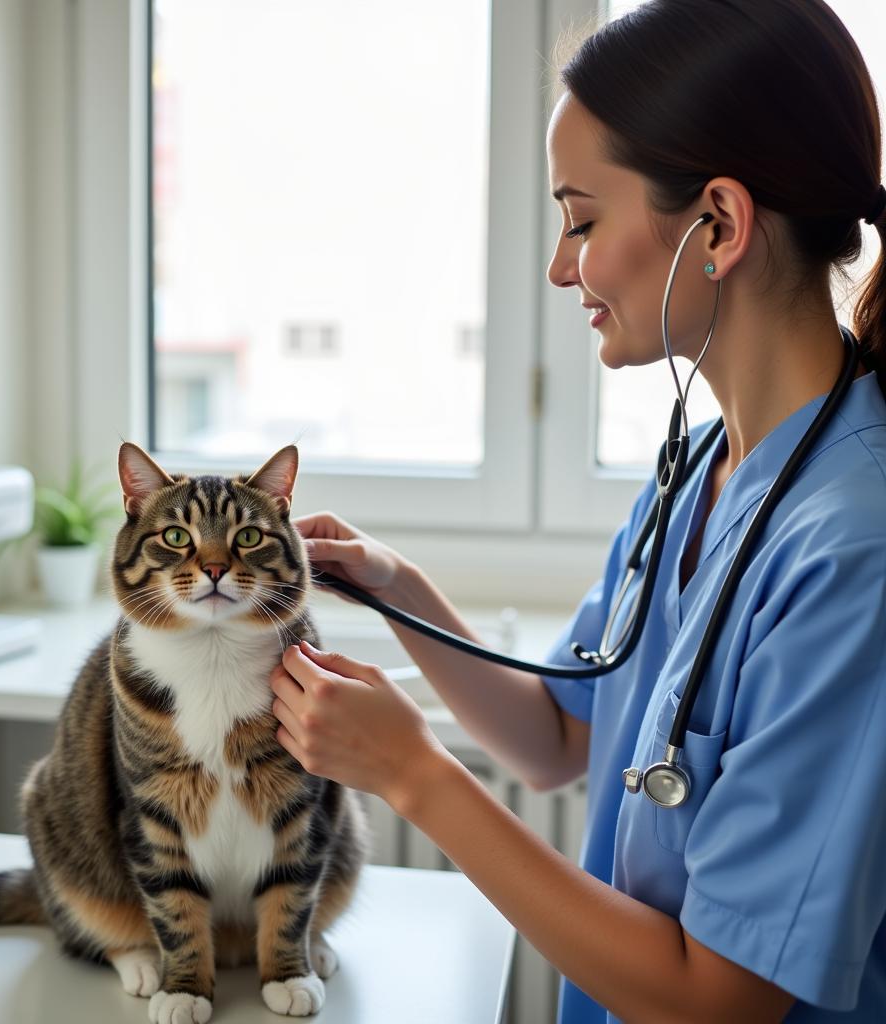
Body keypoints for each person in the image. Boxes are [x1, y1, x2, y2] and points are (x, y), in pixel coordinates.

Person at [270, 1, 886, 1020]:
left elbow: (716, 1000)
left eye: (583, 219)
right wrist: (397, 591)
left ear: (718, 226)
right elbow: (558, 734)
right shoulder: (696, 469)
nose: (562, 267)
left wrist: (416, 778)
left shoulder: (852, 551)